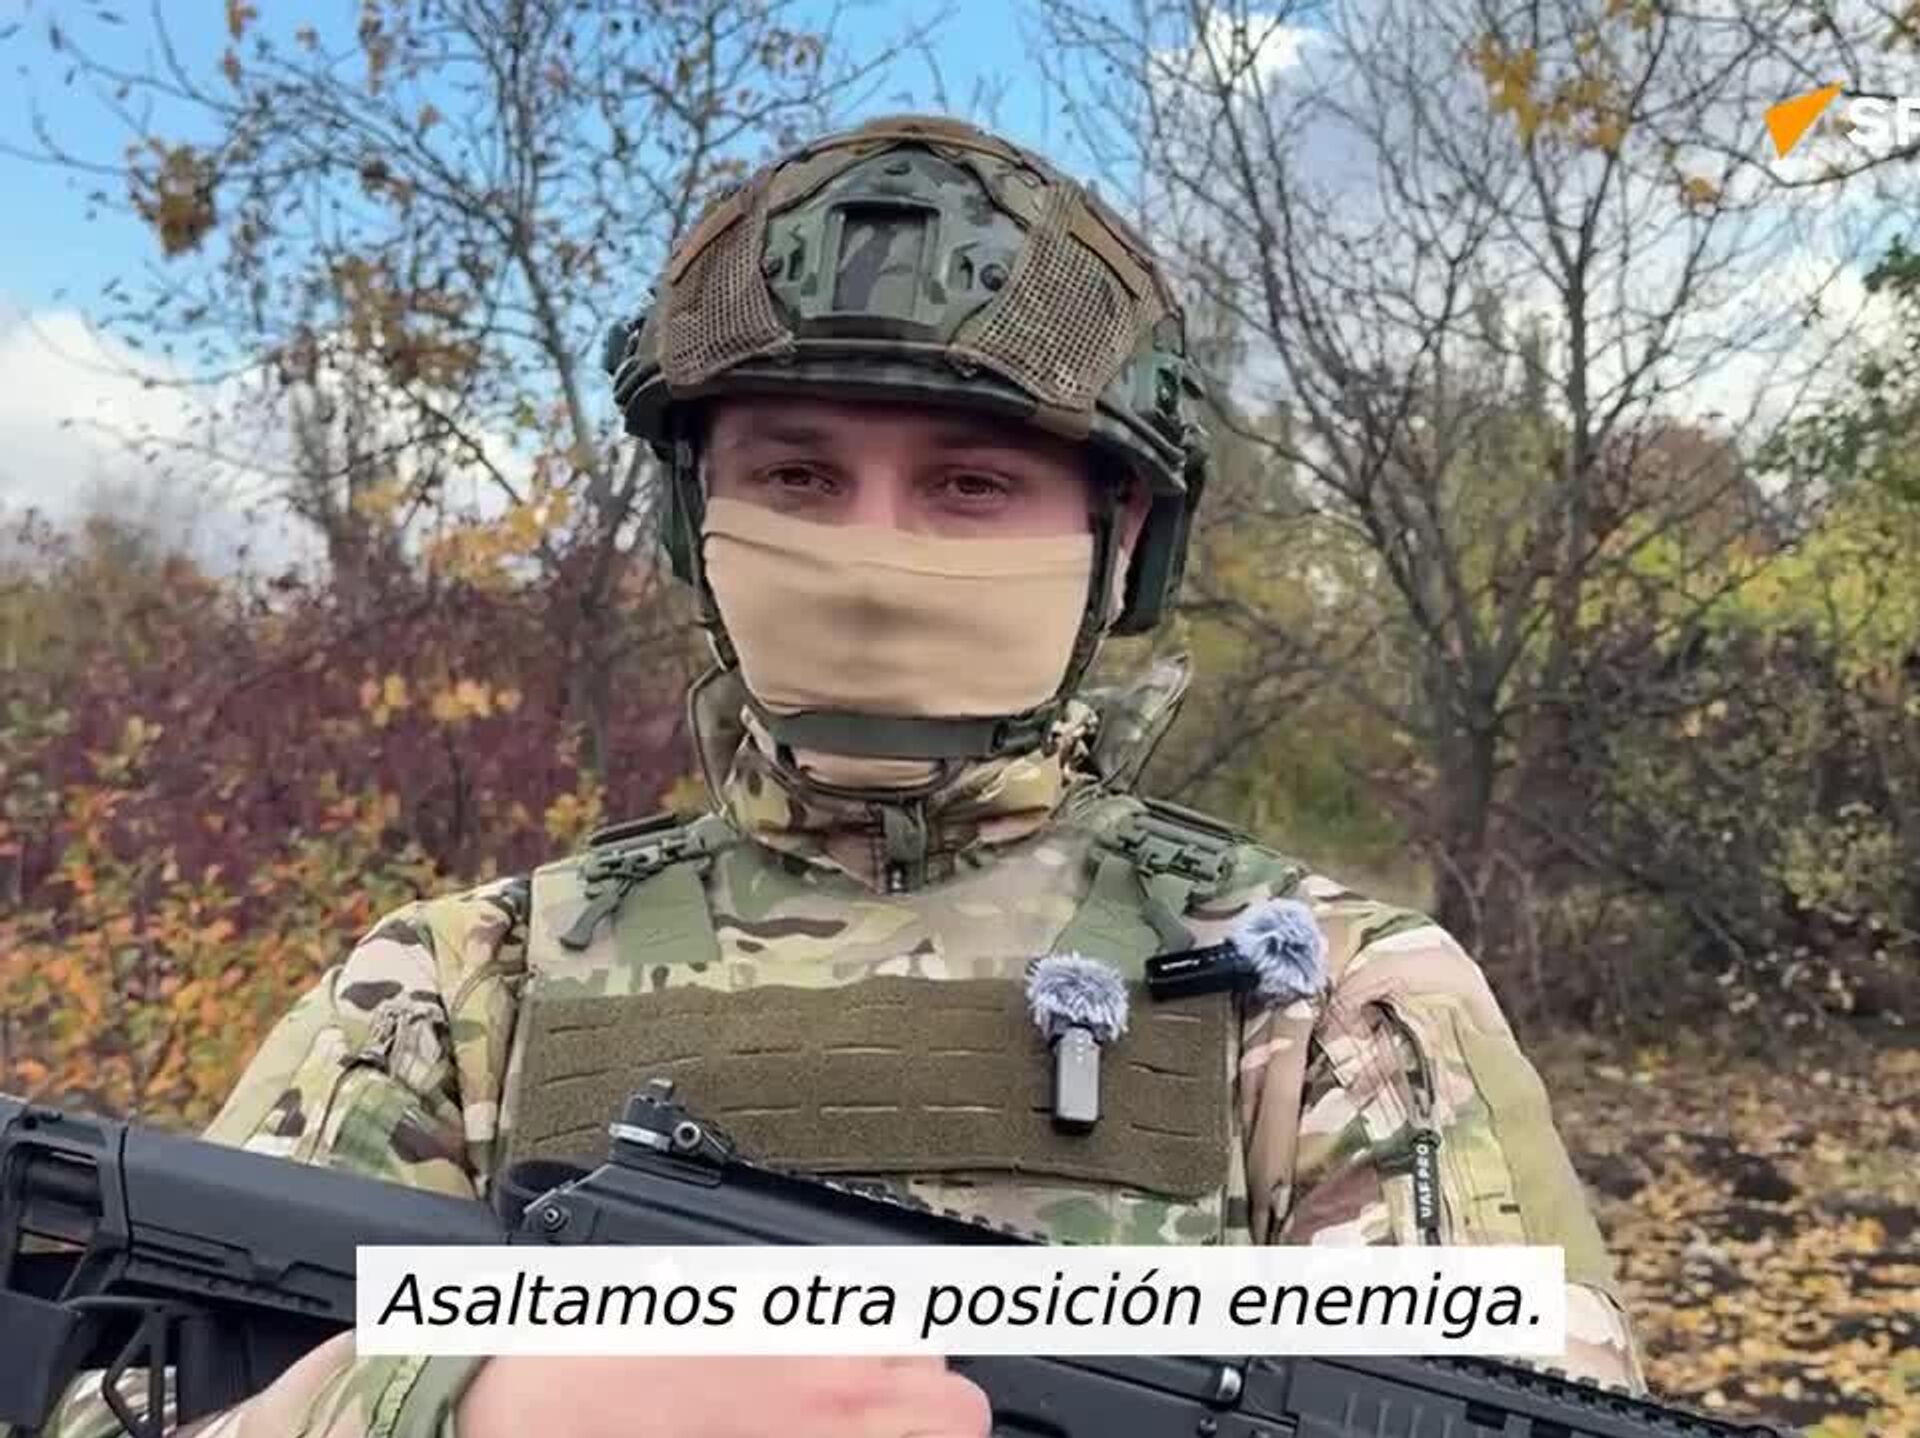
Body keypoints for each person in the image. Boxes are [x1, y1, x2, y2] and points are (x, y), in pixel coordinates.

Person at [39, 113, 1642, 1438]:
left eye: (969, 484)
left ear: (1123, 537)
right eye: (800, 474)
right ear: (698, 519)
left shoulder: (1331, 1000)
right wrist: (458, 1408)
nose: (874, 556)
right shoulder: (452, 991)